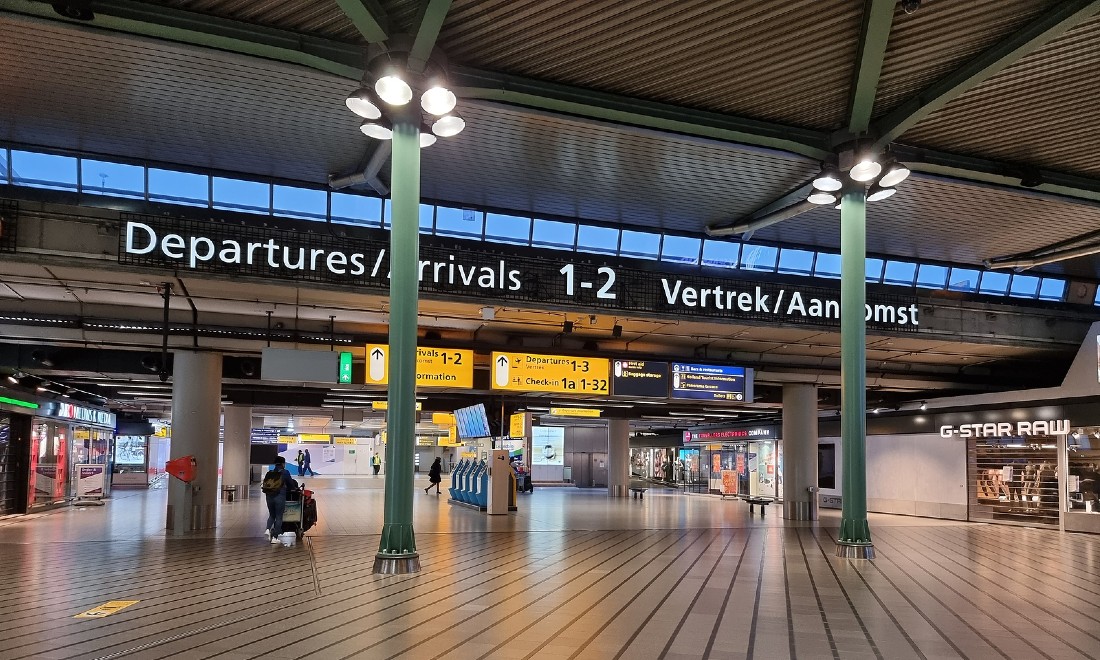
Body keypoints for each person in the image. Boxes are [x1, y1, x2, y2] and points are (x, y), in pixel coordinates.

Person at [263, 456, 297, 545]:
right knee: (279, 517)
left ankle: (267, 529)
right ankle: (275, 537)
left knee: (271, 515)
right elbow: (291, 485)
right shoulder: (285, 472)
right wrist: (293, 489)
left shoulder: (269, 472)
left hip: (269, 497)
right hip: (279, 497)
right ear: (283, 464)